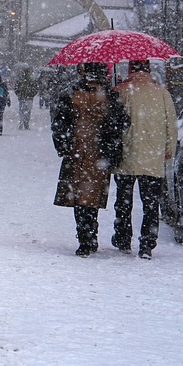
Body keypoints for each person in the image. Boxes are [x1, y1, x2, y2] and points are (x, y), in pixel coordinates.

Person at [50, 62, 130, 257]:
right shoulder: (109, 97)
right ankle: (91, 234)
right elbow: (122, 122)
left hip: (76, 151)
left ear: (84, 72)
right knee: (92, 196)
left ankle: (84, 237)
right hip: (99, 153)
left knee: (78, 195)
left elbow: (59, 124)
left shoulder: (70, 94)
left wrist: (63, 145)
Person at [111, 60, 178, 259]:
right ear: (148, 69)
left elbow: (113, 121)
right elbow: (171, 126)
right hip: (153, 156)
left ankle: (123, 238)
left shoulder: (121, 90)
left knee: (123, 201)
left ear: (131, 69)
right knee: (150, 204)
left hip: (126, 156)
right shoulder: (162, 93)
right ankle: (147, 244)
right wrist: (169, 150)